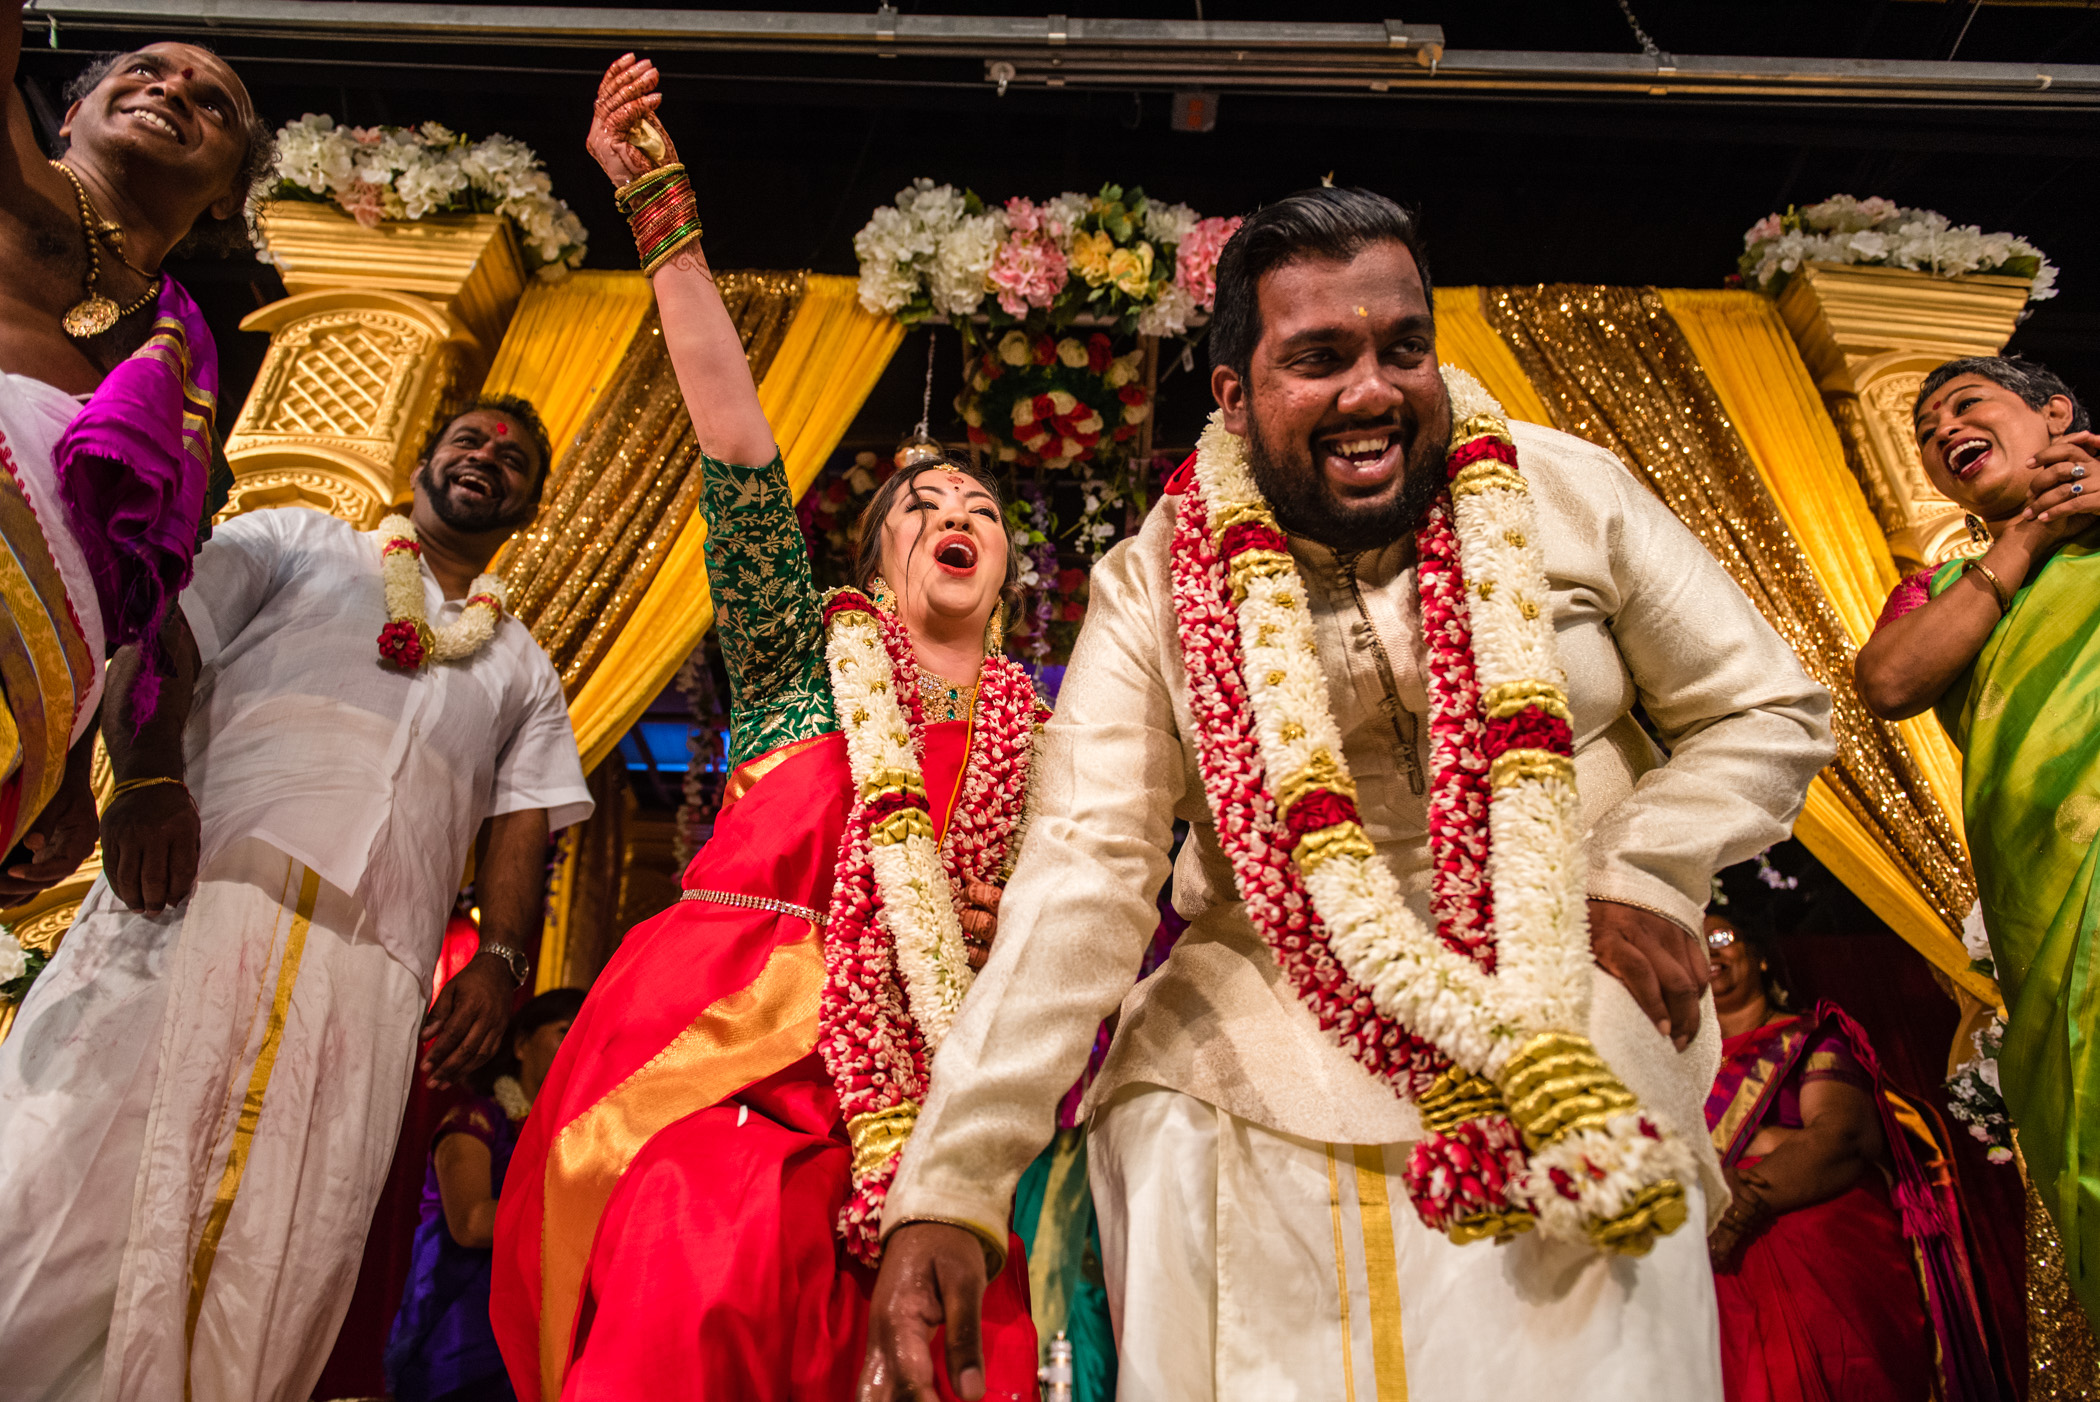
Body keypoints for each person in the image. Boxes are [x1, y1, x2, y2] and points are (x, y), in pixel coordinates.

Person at [861, 186, 1837, 1402]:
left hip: (1563, 992)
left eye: (1402, 349)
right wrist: (950, 1184)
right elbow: (1083, 872)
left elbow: (1769, 709)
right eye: (1319, 359)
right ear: (1234, 396)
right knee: (1168, 1140)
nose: (1372, 391)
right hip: (1256, 1042)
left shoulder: (1564, 489)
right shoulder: (1155, 579)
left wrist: (1635, 869)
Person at [487, 56, 1040, 1402]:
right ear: (875, 557)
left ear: (1010, 570)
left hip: (945, 1085)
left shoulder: (1053, 739)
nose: (953, 514)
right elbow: (736, 445)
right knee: (697, 1272)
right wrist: (666, 230)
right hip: (724, 1045)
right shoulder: (805, 663)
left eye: (977, 507)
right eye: (920, 506)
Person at [0, 396, 594, 1402]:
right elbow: (163, 638)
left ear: (529, 506)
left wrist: (499, 960)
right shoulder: (297, 542)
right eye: (469, 440)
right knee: (75, 1173)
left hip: (370, 970)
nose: (487, 458)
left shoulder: (523, 666)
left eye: (513, 459)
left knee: (282, 1238)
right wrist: (147, 780)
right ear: (423, 463)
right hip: (198, 887)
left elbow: (522, 820)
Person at [0, 16, 269, 905]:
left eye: (213, 105)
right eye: (148, 69)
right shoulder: (14, 177)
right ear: (72, 112)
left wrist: (78, 772)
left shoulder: (182, 373)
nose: (172, 89)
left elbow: (135, 604)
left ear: (229, 193)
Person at [1856, 354, 2100, 1326]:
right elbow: (1889, 682)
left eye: (1967, 404)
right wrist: (2030, 534)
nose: (1943, 431)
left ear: (2056, 413)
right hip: (2040, 896)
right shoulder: (1949, 586)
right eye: (1926, 432)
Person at [1704, 902, 1997, 1401]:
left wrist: (1730, 1203)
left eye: (1720, 939)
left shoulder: (1813, 1035)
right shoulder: (1670, 1069)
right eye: (1693, 947)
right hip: (1717, 1286)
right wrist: (1771, 1139)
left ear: (1760, 955)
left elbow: (1843, 1139)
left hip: (1823, 1276)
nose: (1708, 955)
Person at [387, 987, 587, 1402]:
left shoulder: (573, 1136)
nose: (575, 1047)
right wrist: (580, 1218)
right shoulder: (475, 1120)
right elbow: (472, 1222)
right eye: (564, 1031)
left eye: (584, 1038)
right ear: (520, 1044)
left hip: (536, 1335)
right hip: (460, 1334)